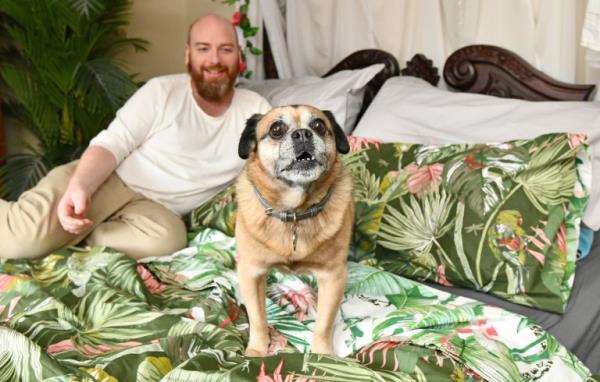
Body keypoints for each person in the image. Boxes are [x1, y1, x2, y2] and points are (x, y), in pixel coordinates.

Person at [0, 14, 271, 260]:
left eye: (226, 49)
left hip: (154, 213)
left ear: (239, 56)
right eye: (203, 49)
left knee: (168, 241)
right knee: (21, 242)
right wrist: (80, 187)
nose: (214, 60)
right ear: (188, 55)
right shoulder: (162, 92)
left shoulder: (256, 109)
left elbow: (280, 161)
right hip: (107, 180)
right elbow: (111, 144)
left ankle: (81, 238)